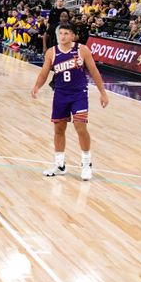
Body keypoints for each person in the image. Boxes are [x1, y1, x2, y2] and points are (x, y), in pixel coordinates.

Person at [31, 23, 109, 180]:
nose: (63, 36)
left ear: (73, 36)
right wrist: (37, 86)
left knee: (80, 127)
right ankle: (60, 165)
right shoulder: (52, 52)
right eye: (61, 33)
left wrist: (103, 93)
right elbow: (44, 73)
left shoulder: (82, 50)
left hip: (79, 94)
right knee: (59, 129)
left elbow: (94, 71)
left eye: (66, 33)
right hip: (60, 94)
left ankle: (86, 163)